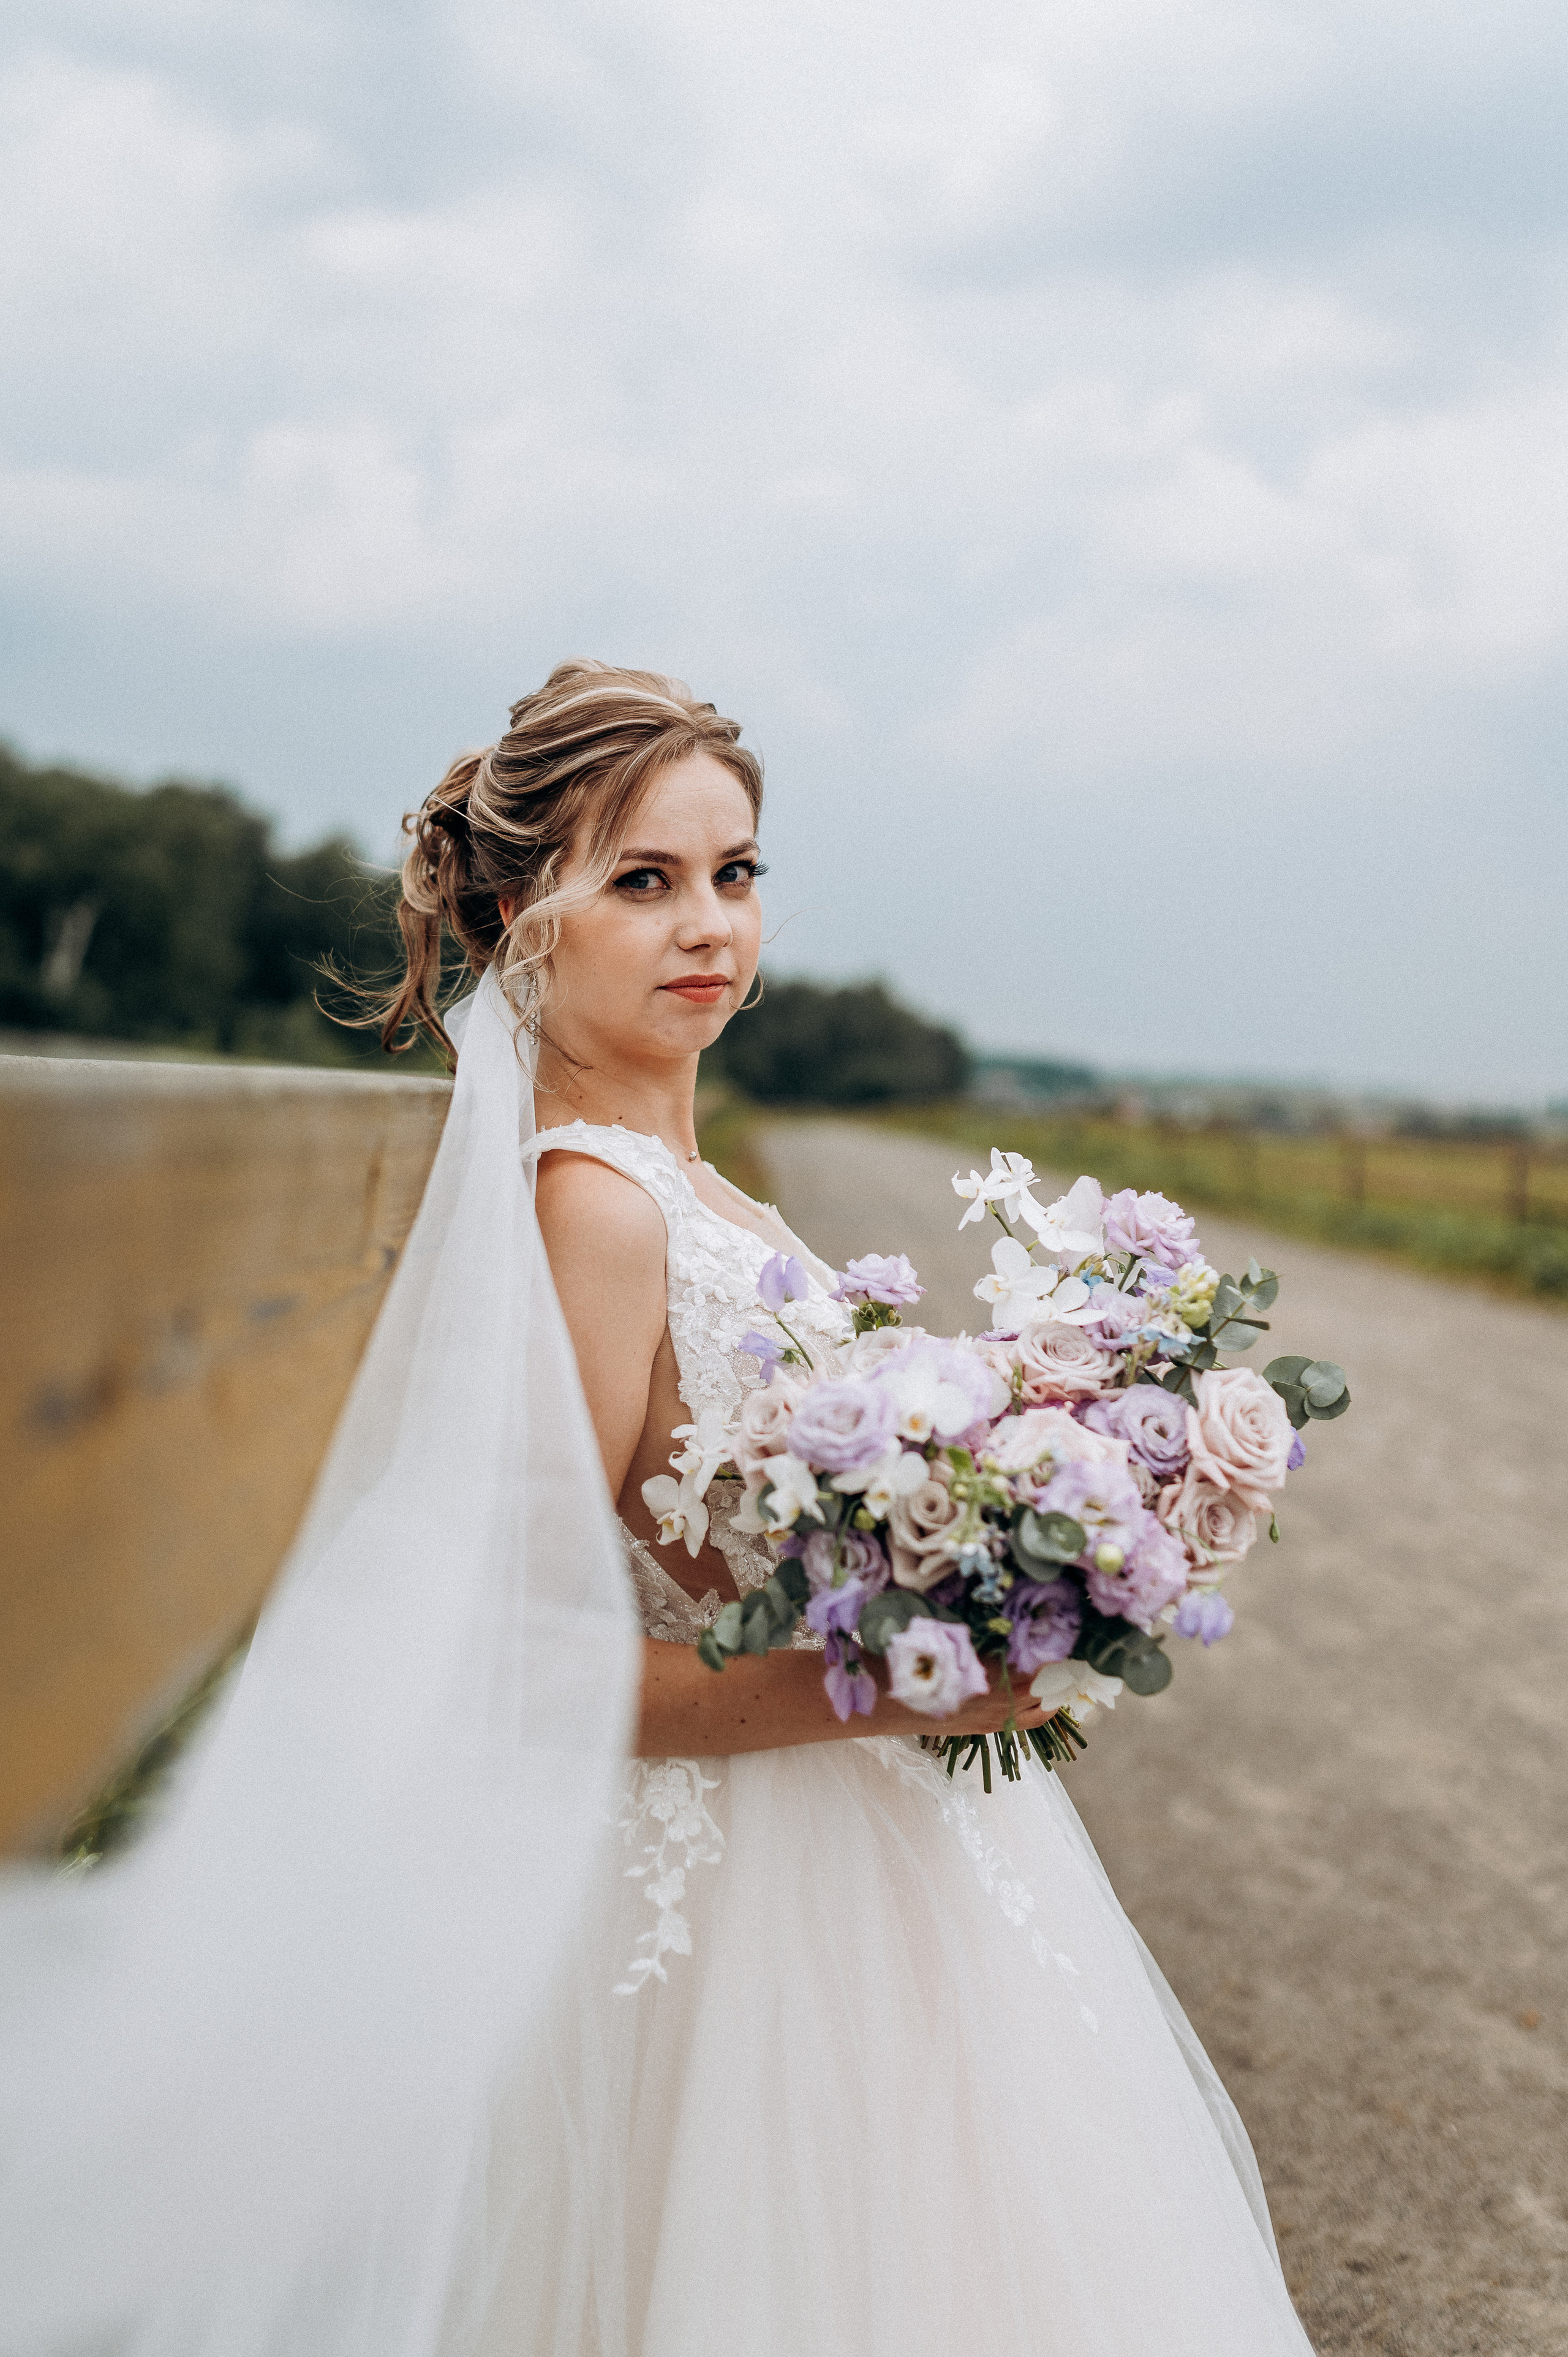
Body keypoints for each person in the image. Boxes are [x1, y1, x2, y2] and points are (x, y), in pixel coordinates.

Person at [0, 659, 1314, 2356]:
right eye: (644, 880)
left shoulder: (719, 1195)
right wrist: (884, 1681)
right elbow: (524, 1665)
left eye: (735, 873)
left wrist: (1035, 1511)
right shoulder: (596, 1214)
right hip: (728, 1898)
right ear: (509, 915)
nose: (709, 924)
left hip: (878, 1850)